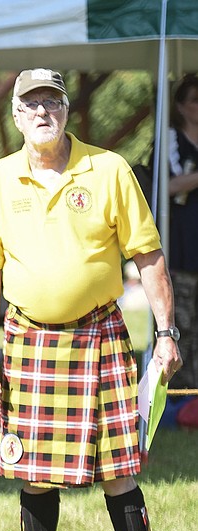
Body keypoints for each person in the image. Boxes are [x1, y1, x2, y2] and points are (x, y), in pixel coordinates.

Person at [0, 68, 182, 531]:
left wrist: (165, 332)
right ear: (15, 115)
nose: (42, 113)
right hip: (28, 336)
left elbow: (148, 255)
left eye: (51, 103)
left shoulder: (108, 170)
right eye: (31, 104)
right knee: (34, 468)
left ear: (65, 110)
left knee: (119, 466)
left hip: (99, 333)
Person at [165, 74, 198, 388]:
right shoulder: (170, 140)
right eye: (194, 100)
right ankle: (182, 399)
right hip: (182, 253)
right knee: (182, 329)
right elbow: (169, 186)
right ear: (180, 106)